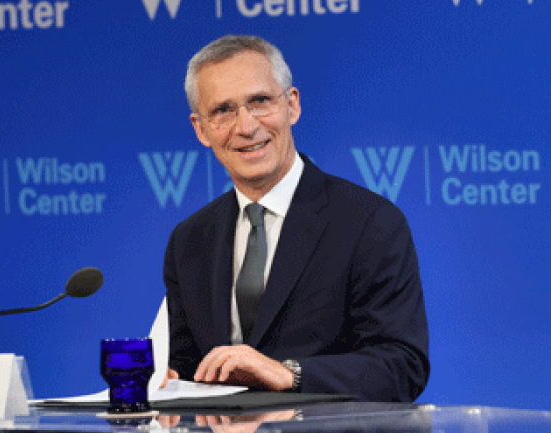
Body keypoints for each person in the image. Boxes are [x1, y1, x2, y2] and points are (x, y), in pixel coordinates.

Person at [163, 35, 429, 402]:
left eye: (259, 101)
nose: (245, 126)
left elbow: (402, 366)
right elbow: (189, 367)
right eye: (223, 110)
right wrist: (168, 380)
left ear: (292, 105)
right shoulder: (189, 240)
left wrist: (290, 374)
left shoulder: (370, 222)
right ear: (200, 128)